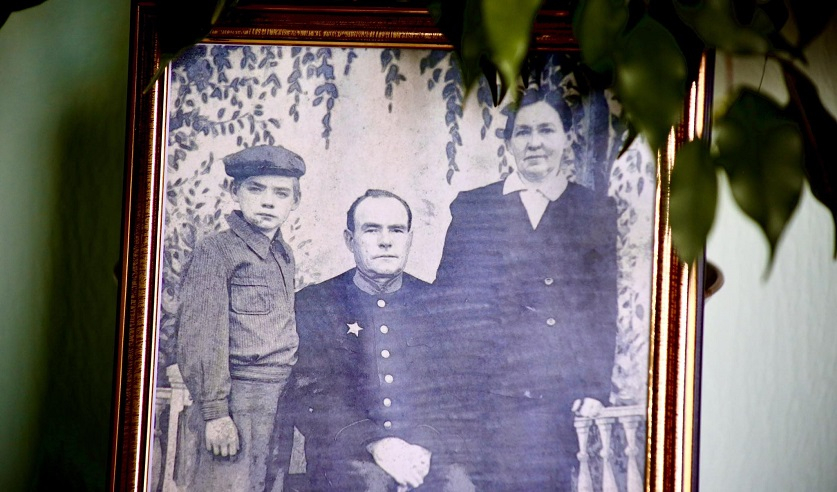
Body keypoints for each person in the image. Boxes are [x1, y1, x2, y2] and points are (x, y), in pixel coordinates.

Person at [435, 87, 619, 490]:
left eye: (546, 130)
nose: (535, 142)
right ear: (509, 142)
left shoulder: (593, 211)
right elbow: (448, 304)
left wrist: (594, 388)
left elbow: (602, 308)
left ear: (566, 137)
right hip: (486, 397)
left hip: (557, 396)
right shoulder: (474, 207)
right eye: (523, 132)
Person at [292, 189, 475, 491]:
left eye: (396, 230)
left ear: (409, 239)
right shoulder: (316, 303)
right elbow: (313, 395)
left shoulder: (438, 304)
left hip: (424, 452)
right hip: (347, 456)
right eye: (371, 230)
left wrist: (424, 444)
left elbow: (455, 391)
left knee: (459, 485)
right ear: (350, 240)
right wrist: (376, 443)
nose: (386, 241)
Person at [176, 144, 305, 492]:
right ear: (235, 192)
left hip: (280, 397)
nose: (268, 202)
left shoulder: (283, 253)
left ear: (295, 201)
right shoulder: (216, 250)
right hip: (239, 398)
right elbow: (201, 336)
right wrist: (216, 412)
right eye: (256, 189)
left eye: (281, 193)